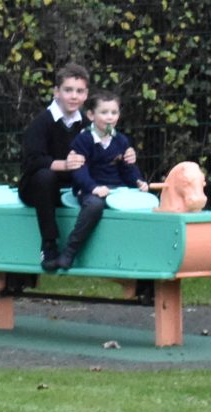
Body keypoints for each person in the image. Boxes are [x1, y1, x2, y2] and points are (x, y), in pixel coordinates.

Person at [51, 87, 142, 271]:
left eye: (114, 112)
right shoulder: (83, 140)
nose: (110, 117)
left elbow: (127, 169)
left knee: (144, 203)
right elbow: (79, 171)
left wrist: (138, 181)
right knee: (94, 205)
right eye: (104, 112)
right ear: (91, 115)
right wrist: (93, 188)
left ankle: (133, 259)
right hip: (88, 190)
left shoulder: (121, 141)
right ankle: (69, 252)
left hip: (117, 190)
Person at [17, 63, 92, 277]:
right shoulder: (41, 123)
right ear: (56, 92)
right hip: (37, 187)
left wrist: (123, 153)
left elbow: (102, 150)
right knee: (45, 176)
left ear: (86, 95)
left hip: (69, 188)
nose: (73, 96)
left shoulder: (86, 125)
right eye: (68, 90)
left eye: (79, 91)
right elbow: (32, 161)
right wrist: (65, 165)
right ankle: (49, 244)